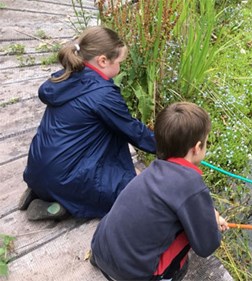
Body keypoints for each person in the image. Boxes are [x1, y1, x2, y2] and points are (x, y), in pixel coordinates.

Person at [21, 26, 156, 220]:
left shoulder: (66, 77)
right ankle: (66, 203)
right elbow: (135, 132)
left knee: (104, 132)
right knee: (132, 192)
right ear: (103, 60)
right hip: (64, 179)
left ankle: (43, 193)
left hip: (36, 171)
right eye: (119, 62)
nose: (121, 68)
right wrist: (172, 146)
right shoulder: (102, 94)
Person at [90, 102, 228, 281]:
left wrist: (209, 215)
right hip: (129, 275)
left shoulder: (153, 170)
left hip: (100, 249)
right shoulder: (191, 184)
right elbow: (206, 246)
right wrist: (213, 225)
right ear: (197, 147)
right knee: (182, 263)